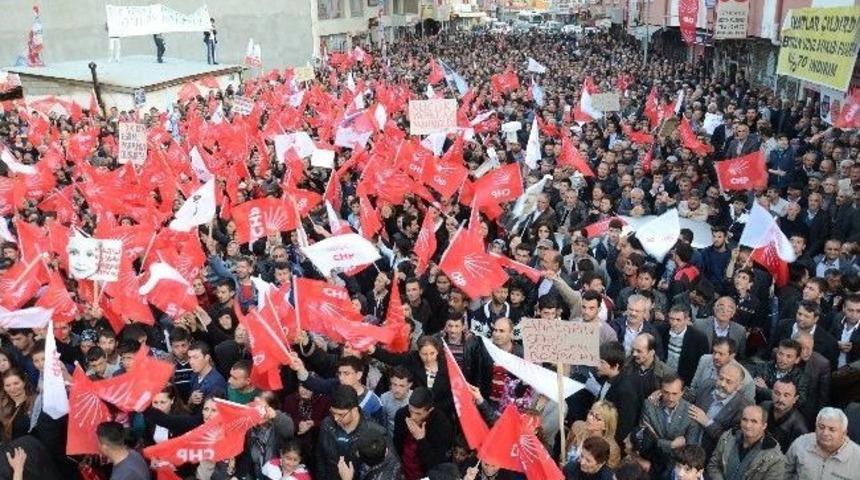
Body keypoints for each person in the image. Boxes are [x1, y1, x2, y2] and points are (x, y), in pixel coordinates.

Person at [316, 385, 388, 479]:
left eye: (341, 414)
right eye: (333, 413)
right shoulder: (327, 425)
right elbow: (320, 458)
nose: (336, 418)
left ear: (354, 410)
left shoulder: (375, 433)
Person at [706, 405, 785, 480]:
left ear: (764, 426)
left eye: (754, 421)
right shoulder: (727, 437)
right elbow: (713, 465)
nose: (748, 425)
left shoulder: (775, 458)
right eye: (744, 419)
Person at [639, 373, 701, 468]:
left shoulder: (691, 413)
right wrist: (671, 444)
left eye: (674, 394)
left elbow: (690, 449)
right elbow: (643, 439)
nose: (670, 398)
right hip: (650, 460)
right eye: (666, 392)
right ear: (660, 390)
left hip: (676, 465)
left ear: (682, 392)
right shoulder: (649, 406)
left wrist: (657, 441)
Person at [392, 387, 452, 480]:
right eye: (411, 411)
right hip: (404, 470)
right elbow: (397, 444)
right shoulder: (401, 414)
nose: (413, 417)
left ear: (430, 410)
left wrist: (421, 440)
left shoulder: (441, 425)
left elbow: (436, 463)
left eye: (418, 413)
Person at [785, 407, 860, 479]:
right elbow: (784, 472)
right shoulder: (801, 443)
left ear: (844, 433)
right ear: (815, 428)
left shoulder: (857, 457)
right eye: (821, 427)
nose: (825, 433)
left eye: (832, 429)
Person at [760, 378, 808, 453]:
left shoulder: (799, 427)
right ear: (772, 393)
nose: (780, 399)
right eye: (777, 393)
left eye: (786, 395)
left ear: (795, 399)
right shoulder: (763, 407)